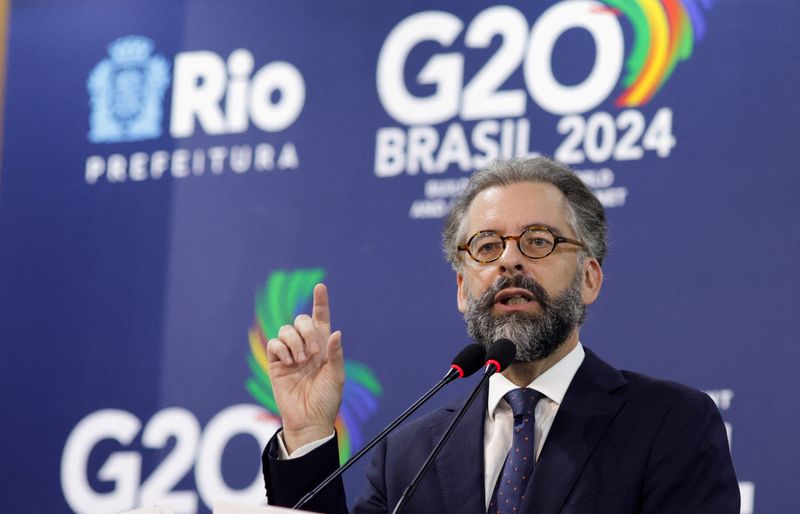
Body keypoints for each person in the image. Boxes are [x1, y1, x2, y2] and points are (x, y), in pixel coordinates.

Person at [262, 157, 740, 513]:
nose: (509, 262)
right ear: (462, 290)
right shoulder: (407, 456)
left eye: (538, 241)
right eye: (487, 246)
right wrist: (308, 434)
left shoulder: (670, 424)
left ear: (589, 278)